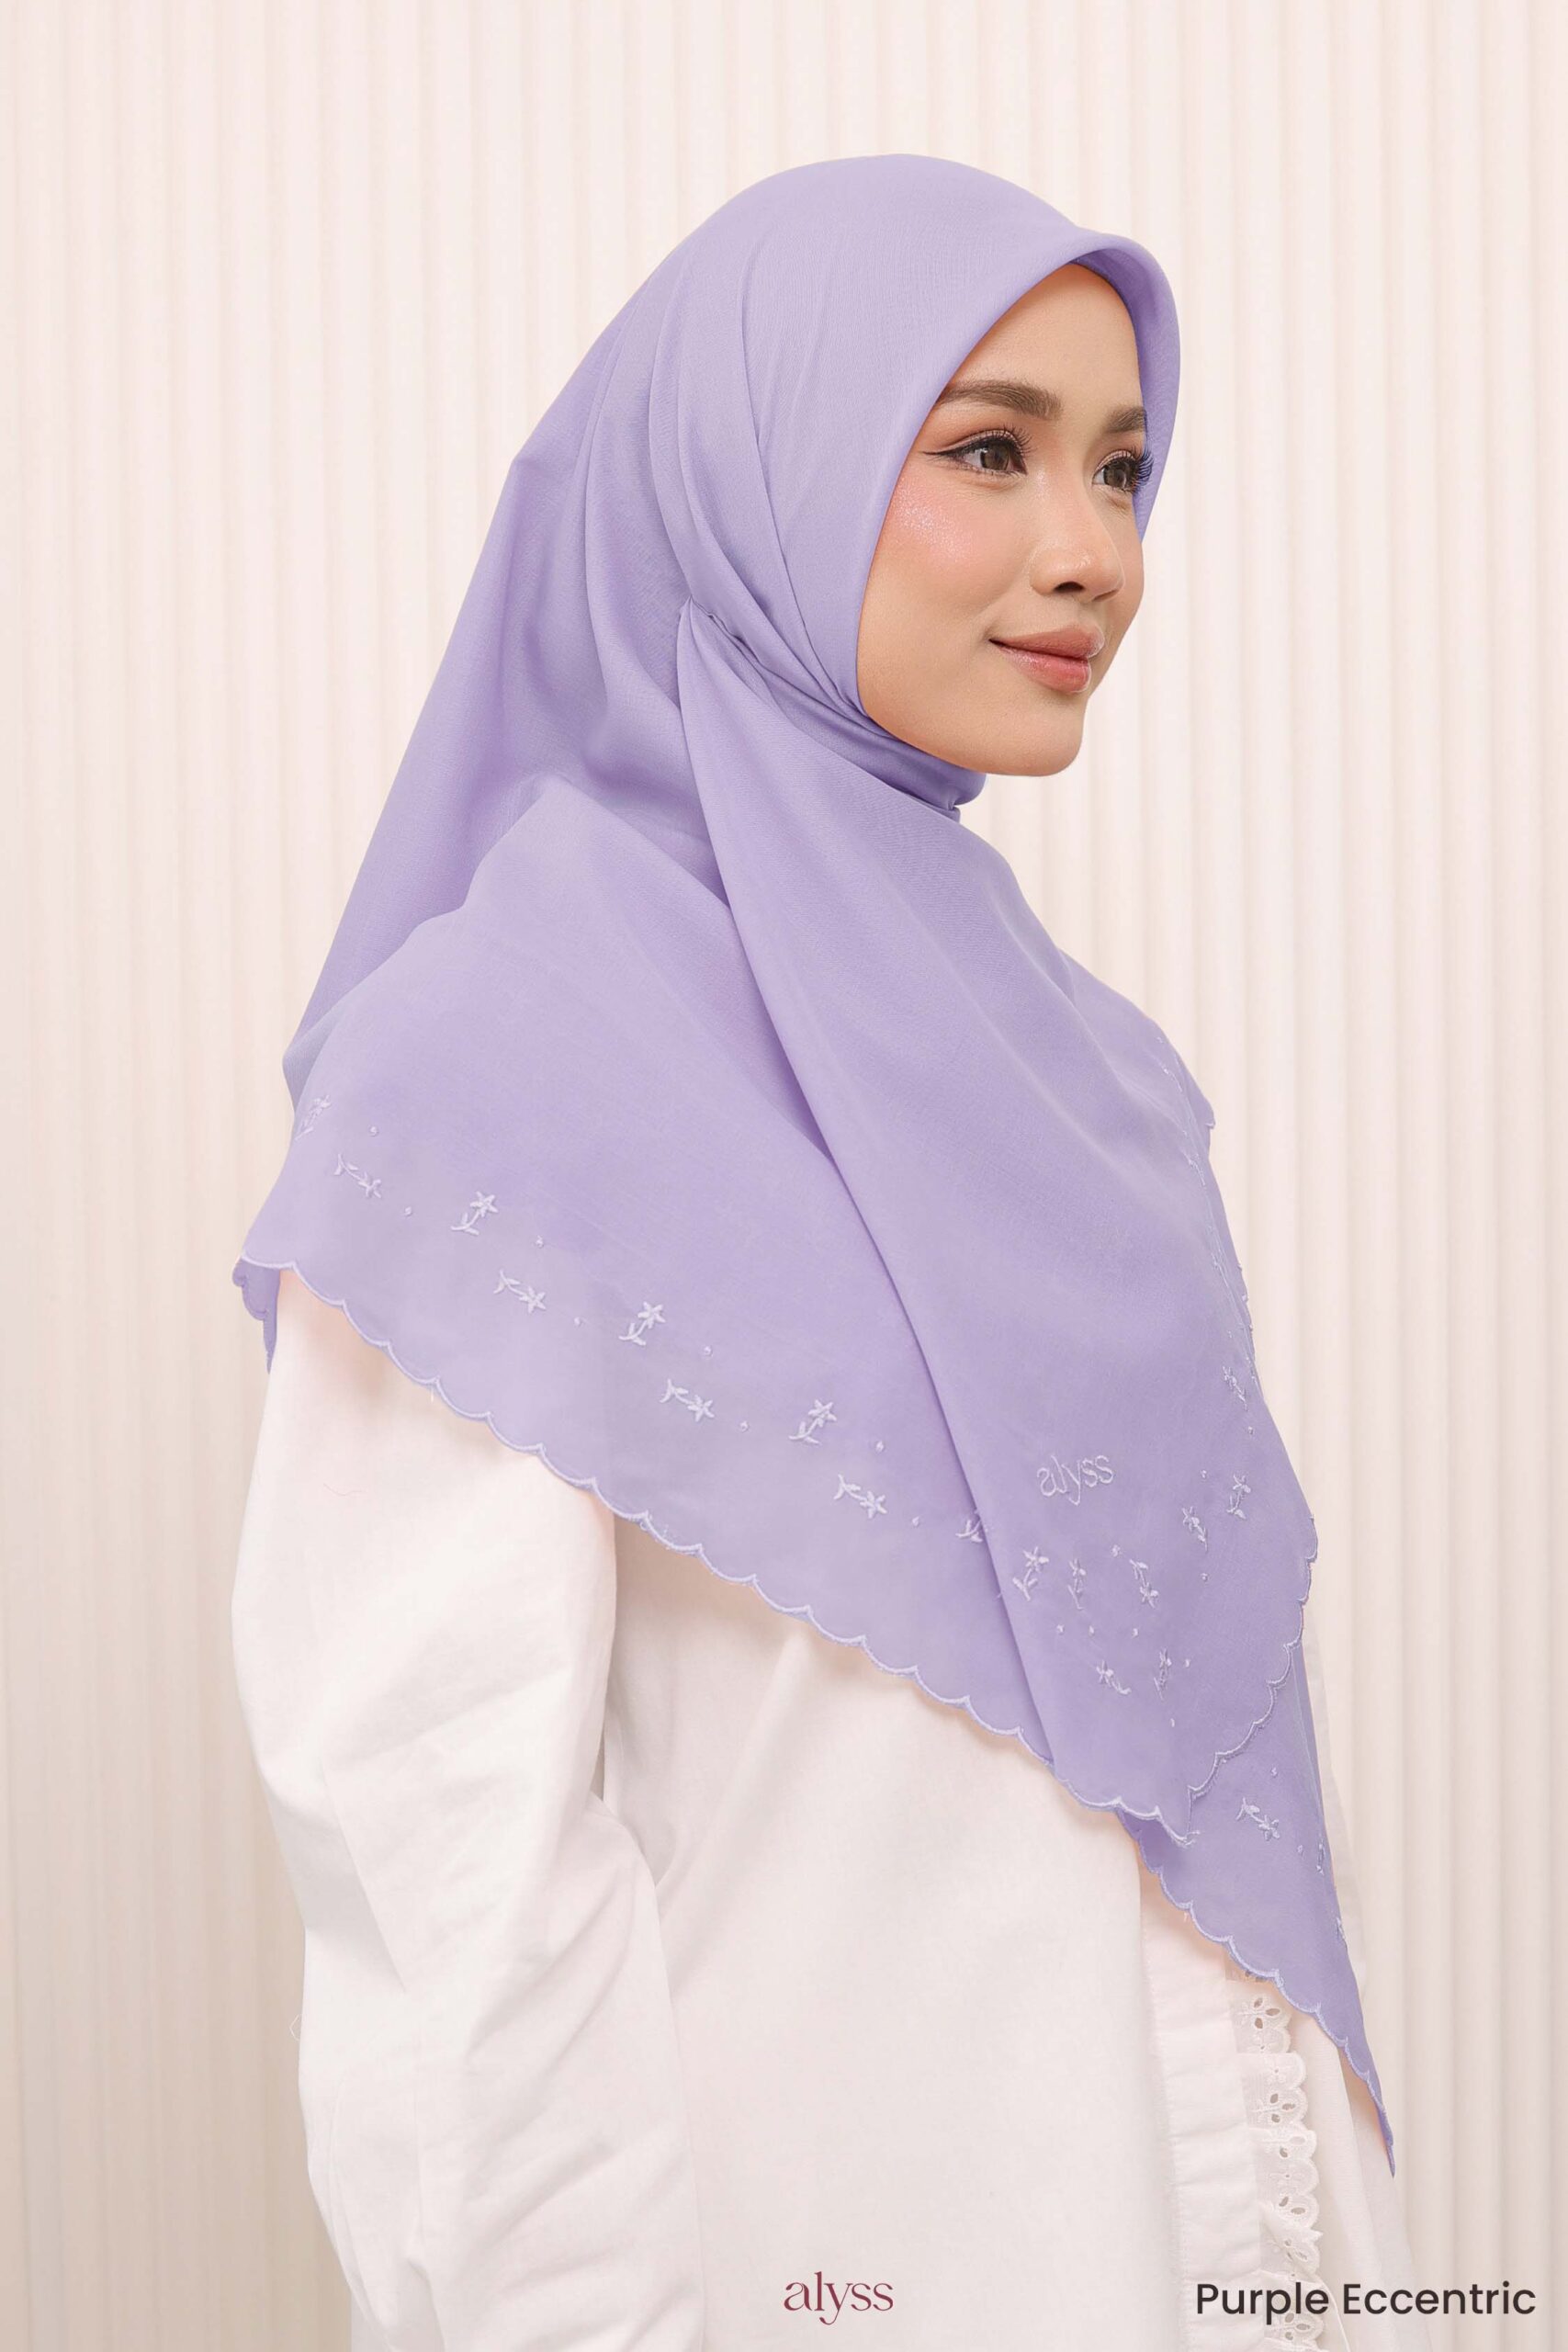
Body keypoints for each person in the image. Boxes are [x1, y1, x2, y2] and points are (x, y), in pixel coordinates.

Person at [229, 155, 1429, 2349]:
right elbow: (455, 1892)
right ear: (746, 475)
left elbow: (1205, 1842)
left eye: (1121, 467)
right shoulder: (491, 1070)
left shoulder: (1091, 1080)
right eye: (985, 449)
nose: (1093, 550)